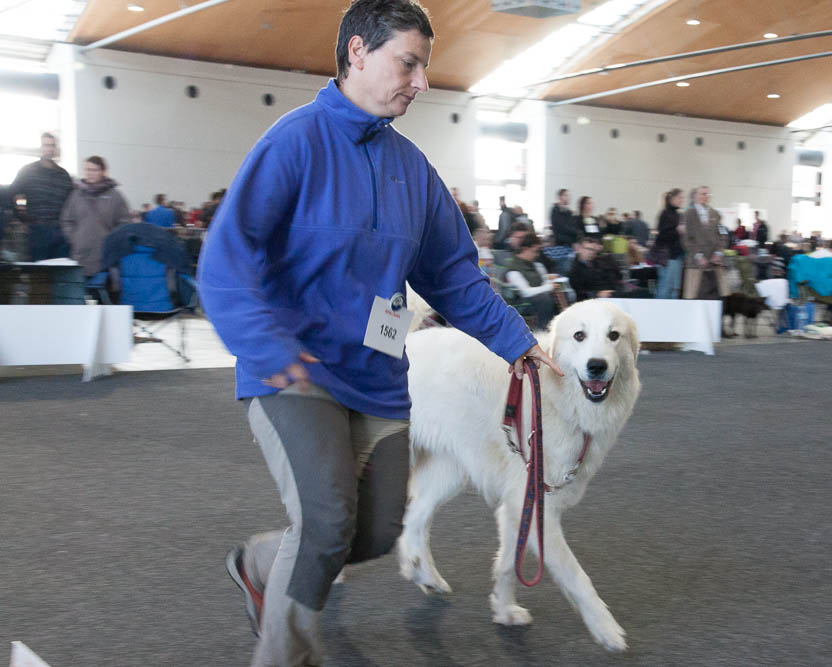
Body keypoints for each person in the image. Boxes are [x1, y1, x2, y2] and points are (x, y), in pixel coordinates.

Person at [197, 3, 561, 665]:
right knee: (328, 520)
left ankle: (262, 562)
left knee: (373, 531)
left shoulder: (413, 169)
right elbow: (226, 256)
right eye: (409, 62)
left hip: (379, 378)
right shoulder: (294, 141)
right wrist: (267, 345)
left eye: (425, 66)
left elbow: (453, 274)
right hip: (295, 372)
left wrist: (519, 341)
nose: (420, 81)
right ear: (358, 52)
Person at [58, 156, 131, 277]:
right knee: (79, 291)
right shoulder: (76, 195)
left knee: (102, 293)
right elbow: (66, 220)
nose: (90, 173)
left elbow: (124, 223)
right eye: (87, 170)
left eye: (94, 170)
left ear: (103, 171)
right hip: (80, 254)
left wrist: (113, 242)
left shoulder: (115, 196)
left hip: (105, 255)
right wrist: (75, 239)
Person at [9, 132, 74, 261]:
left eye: (52, 146)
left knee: (60, 270)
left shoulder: (64, 175)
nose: (49, 149)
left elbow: (71, 203)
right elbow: (15, 193)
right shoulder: (27, 171)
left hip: (59, 231)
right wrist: (22, 216)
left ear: (56, 149)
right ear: (41, 148)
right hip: (37, 229)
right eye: (46, 145)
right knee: (39, 273)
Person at [681, 186, 730, 299]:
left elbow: (723, 235)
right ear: (695, 196)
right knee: (692, 296)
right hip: (695, 262)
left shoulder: (715, 214)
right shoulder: (688, 214)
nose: (705, 196)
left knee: (720, 296)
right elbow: (686, 239)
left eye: (707, 194)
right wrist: (698, 255)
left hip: (715, 263)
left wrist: (719, 252)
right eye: (702, 194)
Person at [503, 232, 558, 329]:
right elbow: (526, 292)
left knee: (559, 294)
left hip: (537, 300)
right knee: (545, 298)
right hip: (520, 303)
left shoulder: (536, 265)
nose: (537, 254)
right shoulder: (513, 269)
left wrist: (550, 282)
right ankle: (543, 328)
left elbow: (544, 281)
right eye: (535, 251)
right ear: (525, 249)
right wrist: (549, 287)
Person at [569, 235, 650, 300]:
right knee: (641, 294)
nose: (591, 252)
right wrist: (597, 293)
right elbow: (579, 292)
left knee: (644, 292)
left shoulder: (600, 261)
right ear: (579, 249)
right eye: (588, 249)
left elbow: (617, 275)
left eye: (594, 250)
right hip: (598, 297)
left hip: (614, 290)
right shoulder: (574, 269)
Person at [653, 188, 684, 299]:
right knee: (666, 286)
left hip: (676, 256)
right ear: (672, 198)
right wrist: (677, 230)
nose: (682, 200)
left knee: (674, 289)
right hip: (668, 257)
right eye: (680, 197)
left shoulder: (677, 214)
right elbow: (662, 235)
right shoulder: (666, 214)